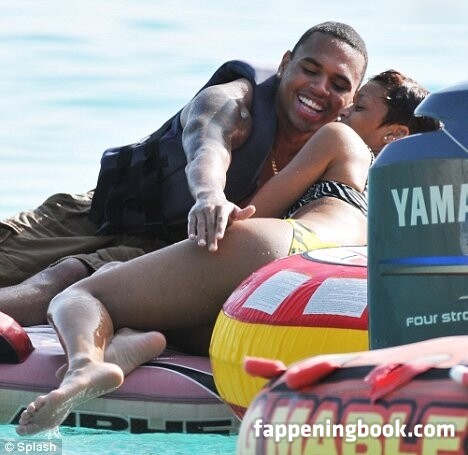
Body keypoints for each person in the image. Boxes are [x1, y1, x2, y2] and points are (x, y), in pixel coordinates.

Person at [15, 70, 440, 436]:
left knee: (84, 293)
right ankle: (134, 345)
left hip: (287, 246)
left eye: (359, 106)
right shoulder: (405, 197)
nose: (343, 112)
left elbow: (257, 209)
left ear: (394, 134)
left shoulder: (342, 140)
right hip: (308, 295)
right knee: (163, 306)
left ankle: (85, 365)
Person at [0, 21, 368, 326]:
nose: (320, 88)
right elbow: (207, 142)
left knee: (69, 276)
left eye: (338, 84)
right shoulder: (233, 99)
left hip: (169, 248)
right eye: (310, 70)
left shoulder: (334, 154)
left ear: (351, 100)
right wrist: (210, 195)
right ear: (286, 63)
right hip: (103, 213)